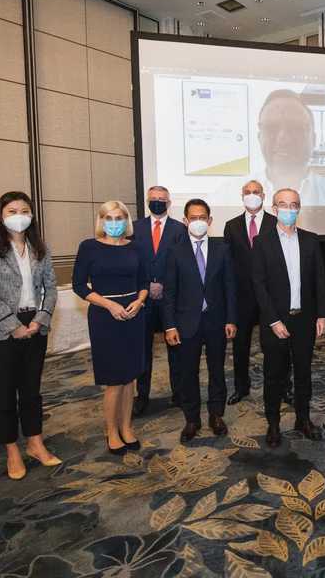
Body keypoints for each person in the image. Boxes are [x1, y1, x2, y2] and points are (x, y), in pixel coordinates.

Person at [0, 191, 61, 480]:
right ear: (1, 215)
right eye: (12, 211)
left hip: (34, 323)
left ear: (32, 216)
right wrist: (13, 325)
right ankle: (12, 448)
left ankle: (35, 442)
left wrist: (40, 319)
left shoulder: (40, 248)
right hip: (0, 331)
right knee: (4, 393)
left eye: (24, 210)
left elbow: (52, 288)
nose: (19, 215)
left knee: (31, 390)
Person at [252, 188, 325, 447]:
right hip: (275, 322)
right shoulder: (262, 242)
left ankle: (302, 419)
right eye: (283, 205)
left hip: (304, 320)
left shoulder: (310, 239)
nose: (288, 209)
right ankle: (273, 425)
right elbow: (259, 285)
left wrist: (322, 314)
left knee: (304, 374)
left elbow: (319, 279)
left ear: (299, 208)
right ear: (274, 209)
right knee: (274, 376)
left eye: (293, 204)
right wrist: (274, 320)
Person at [72, 201, 150, 455]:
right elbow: (79, 286)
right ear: (101, 220)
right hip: (105, 317)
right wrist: (109, 305)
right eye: (109, 217)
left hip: (134, 315)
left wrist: (139, 301)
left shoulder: (137, 247)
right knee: (114, 380)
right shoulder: (89, 247)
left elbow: (144, 281)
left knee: (130, 378)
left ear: (126, 221)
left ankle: (126, 428)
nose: (114, 222)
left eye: (119, 218)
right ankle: (112, 431)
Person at [208, 89, 325, 206]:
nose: (283, 140)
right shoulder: (225, 197)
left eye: (295, 128)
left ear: (313, 139)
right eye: (271, 128)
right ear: (259, 137)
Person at [164, 198, 237, 441]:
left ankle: (216, 415)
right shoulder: (175, 252)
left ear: (210, 221)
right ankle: (192, 418)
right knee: (188, 373)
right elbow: (170, 292)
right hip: (186, 323)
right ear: (185, 221)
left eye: (202, 218)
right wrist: (169, 325)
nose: (198, 222)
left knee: (217, 370)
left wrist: (231, 319)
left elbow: (230, 288)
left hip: (216, 321)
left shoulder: (222, 249)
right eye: (193, 218)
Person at [222, 180, 292, 405]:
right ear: (241, 196)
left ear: (263, 197)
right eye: (247, 192)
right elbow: (228, 264)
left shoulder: (275, 222)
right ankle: (241, 387)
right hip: (243, 296)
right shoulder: (231, 226)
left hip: (271, 295)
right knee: (240, 345)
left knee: (277, 343)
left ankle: (284, 386)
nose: (251, 195)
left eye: (256, 192)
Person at [131, 186, 187, 416]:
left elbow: (183, 261)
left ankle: (179, 393)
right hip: (142, 298)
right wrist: (146, 286)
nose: (157, 202)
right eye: (153, 199)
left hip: (170, 297)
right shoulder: (134, 228)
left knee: (175, 348)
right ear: (147, 201)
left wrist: (163, 283)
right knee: (143, 350)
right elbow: (131, 260)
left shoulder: (180, 229)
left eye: (161, 200)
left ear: (169, 203)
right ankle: (142, 395)